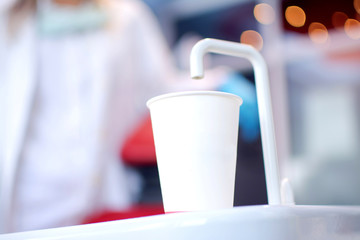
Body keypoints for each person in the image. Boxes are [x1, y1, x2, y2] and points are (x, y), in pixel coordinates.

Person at [0, 0, 208, 233]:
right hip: (28, 203)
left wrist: (215, 87)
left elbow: (160, 90)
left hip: (98, 199)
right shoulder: (7, 18)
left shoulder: (128, 16)